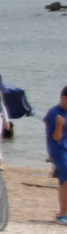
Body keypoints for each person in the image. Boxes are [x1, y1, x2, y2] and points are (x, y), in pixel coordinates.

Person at [42, 86, 67, 225]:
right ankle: (62, 215)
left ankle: (63, 213)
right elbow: (56, 137)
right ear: (64, 98)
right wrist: (59, 125)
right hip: (58, 150)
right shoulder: (54, 113)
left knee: (64, 180)